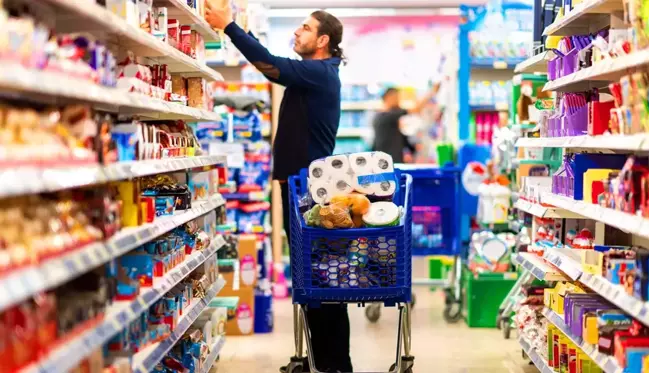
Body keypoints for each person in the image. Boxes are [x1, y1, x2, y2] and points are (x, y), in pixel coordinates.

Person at [205, 3, 352, 373]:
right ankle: (325, 362)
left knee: (322, 281)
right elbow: (273, 66)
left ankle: (335, 365)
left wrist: (231, 28)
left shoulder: (320, 72)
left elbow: (270, 66)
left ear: (323, 40)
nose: (296, 33)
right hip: (301, 190)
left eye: (304, 28)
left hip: (310, 195)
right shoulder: (314, 73)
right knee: (312, 282)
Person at [372, 86, 438, 163]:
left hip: (385, 160)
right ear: (388, 97)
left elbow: (396, 136)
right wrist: (432, 91)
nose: (398, 100)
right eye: (396, 97)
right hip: (390, 161)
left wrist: (411, 148)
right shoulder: (388, 116)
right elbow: (416, 109)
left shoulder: (380, 117)